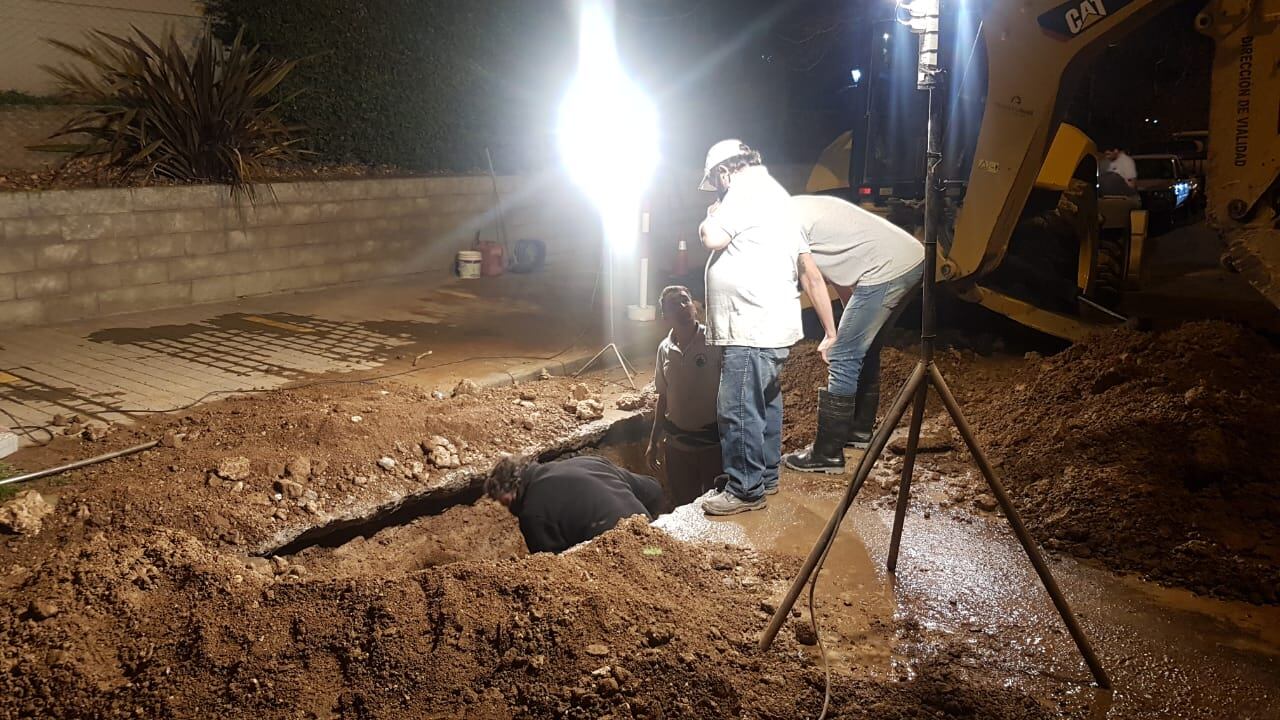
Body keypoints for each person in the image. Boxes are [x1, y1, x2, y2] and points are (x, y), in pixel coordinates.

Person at [696, 139, 838, 515]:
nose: (718, 188)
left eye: (716, 181)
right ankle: (765, 475)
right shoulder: (777, 196)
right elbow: (809, 269)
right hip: (771, 325)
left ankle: (745, 489)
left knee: (738, 407)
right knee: (765, 402)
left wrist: (711, 213)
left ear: (725, 172)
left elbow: (712, 237)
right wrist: (830, 330)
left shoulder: (742, 191)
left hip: (750, 326)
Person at [783, 194, 925, 473]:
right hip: (910, 259)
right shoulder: (800, 207)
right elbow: (840, 272)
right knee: (864, 347)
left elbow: (811, 278)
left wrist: (831, 334)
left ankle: (826, 453)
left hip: (887, 269)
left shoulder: (780, 221)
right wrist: (850, 318)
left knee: (843, 355)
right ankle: (859, 432)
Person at [485, 454, 665, 554]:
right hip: (655, 548)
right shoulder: (588, 461)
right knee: (653, 553)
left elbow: (552, 570)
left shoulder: (532, 514)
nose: (509, 510)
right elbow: (654, 489)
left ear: (514, 489)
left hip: (623, 560)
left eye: (506, 502)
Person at [646, 285, 724, 505]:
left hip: (713, 445)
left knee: (715, 503)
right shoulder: (664, 349)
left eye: (685, 300)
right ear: (665, 316)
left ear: (694, 306)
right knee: (683, 504)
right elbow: (663, 396)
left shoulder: (715, 340)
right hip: (678, 447)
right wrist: (654, 442)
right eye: (673, 304)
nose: (682, 306)